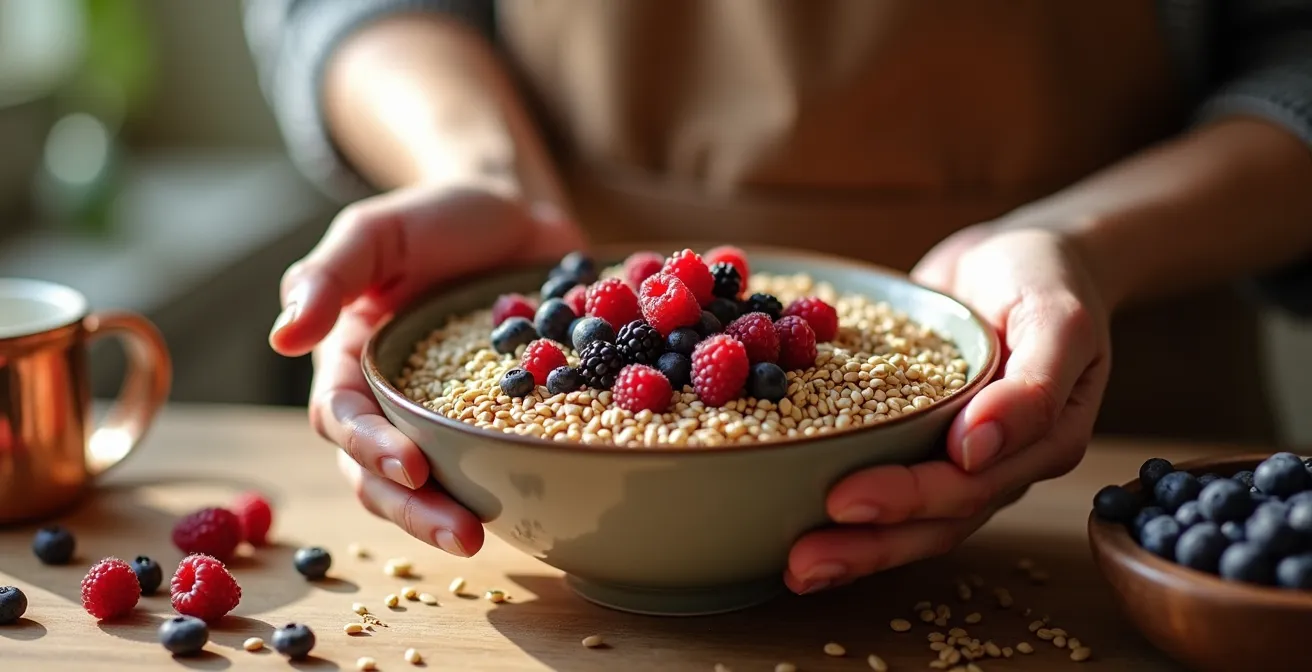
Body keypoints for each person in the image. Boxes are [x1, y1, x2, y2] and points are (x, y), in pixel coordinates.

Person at [243, 0, 1312, 595]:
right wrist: (477, 170)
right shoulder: (597, 343)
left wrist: (1078, 244)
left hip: (1098, 435)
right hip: (553, 239)